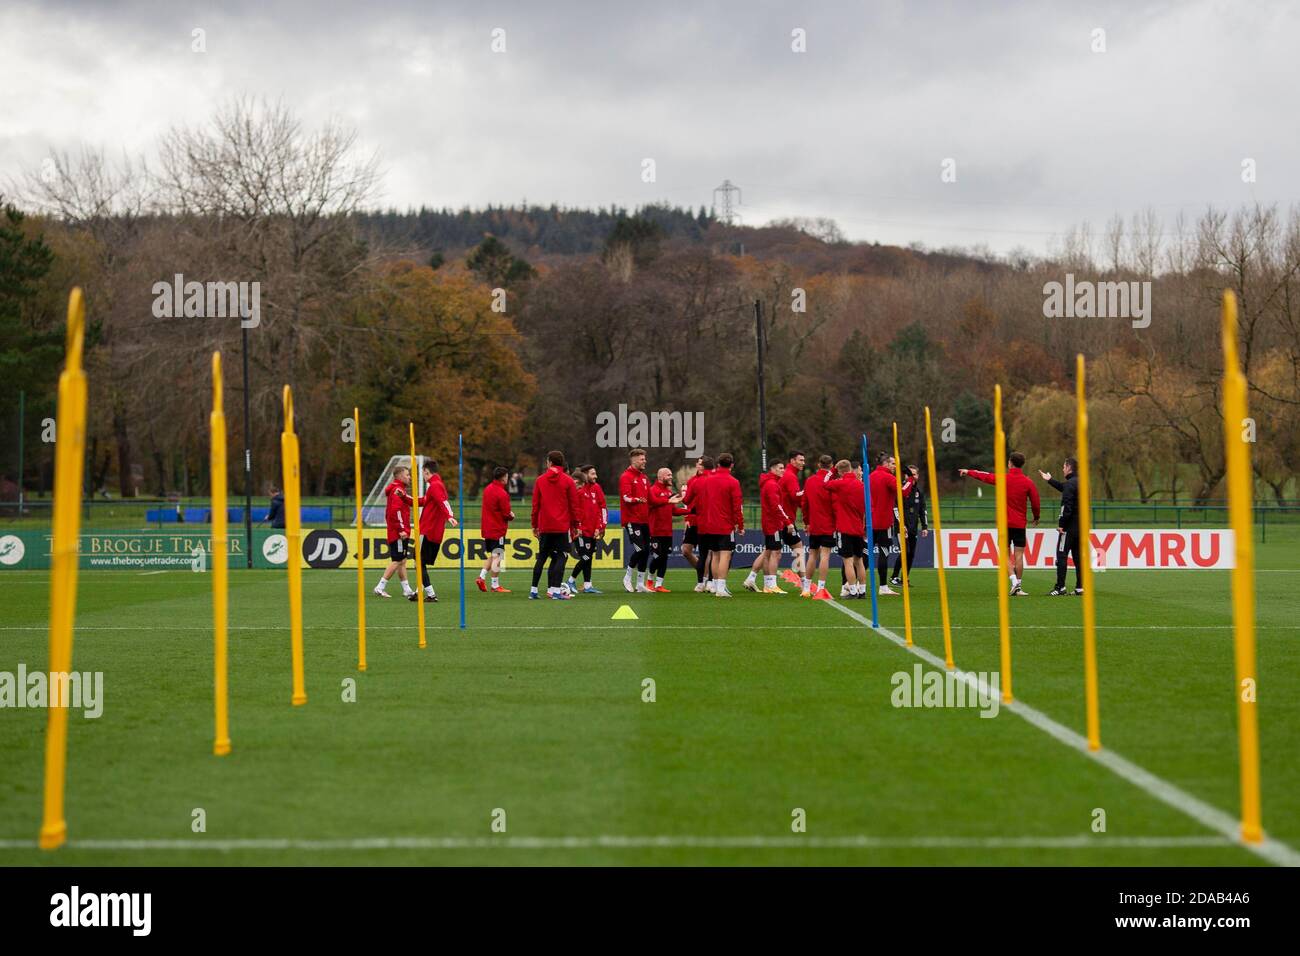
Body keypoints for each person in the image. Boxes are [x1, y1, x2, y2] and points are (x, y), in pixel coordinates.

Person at [960, 452, 1040, 595]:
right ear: (1022, 464)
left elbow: (985, 476)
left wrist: (968, 472)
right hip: (1020, 524)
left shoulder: (1003, 478)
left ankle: (1014, 581)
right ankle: (1019, 586)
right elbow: (1035, 501)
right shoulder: (1028, 482)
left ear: (1010, 463)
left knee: (1004, 554)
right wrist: (1036, 516)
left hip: (1004, 524)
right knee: (1019, 555)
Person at [530, 450, 581, 600]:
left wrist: (534, 525)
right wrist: (576, 524)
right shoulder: (568, 481)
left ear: (550, 462)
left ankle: (533, 591)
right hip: (561, 526)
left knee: (542, 557)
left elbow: (535, 505)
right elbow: (574, 505)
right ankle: (556, 591)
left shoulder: (540, 480)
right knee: (562, 556)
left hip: (545, 525)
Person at [411, 460, 458, 602]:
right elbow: (424, 501)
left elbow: (443, 502)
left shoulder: (434, 486)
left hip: (428, 531)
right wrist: (406, 498)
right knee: (421, 562)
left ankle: (431, 594)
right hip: (434, 532)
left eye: (423, 474)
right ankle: (418, 592)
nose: (423, 477)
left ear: (426, 472)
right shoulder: (437, 485)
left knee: (418, 562)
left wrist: (450, 516)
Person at [699, 452, 744, 597]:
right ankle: (720, 588)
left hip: (710, 523)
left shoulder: (708, 480)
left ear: (718, 464)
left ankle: (715, 586)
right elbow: (737, 506)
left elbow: (703, 501)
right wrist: (740, 525)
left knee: (715, 555)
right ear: (731, 465)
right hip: (725, 524)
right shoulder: (733, 482)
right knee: (726, 555)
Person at [868, 453, 913, 596]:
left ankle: (856, 585)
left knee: (864, 553)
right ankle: (883, 587)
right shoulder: (888, 477)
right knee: (884, 553)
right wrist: (911, 479)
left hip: (869, 522)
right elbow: (904, 492)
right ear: (886, 464)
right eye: (893, 464)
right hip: (884, 522)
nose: (895, 467)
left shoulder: (870, 476)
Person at [746, 459, 792, 594]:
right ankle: (772, 584)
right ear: (773, 469)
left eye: (783, 468)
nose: (783, 470)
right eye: (780, 468)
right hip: (773, 524)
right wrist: (787, 521)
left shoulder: (770, 483)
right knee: (776, 553)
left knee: (769, 552)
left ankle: (767, 584)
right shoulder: (772, 484)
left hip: (770, 523)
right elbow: (776, 505)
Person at [1041, 458, 1083, 596]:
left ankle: (1060, 587)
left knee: (1061, 556)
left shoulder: (1071, 484)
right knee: (1078, 557)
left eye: (1064, 466)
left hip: (1069, 527)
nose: (1062, 469)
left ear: (1069, 467)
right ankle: (1080, 588)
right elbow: (1065, 487)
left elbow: (1066, 507)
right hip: (1081, 526)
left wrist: (1061, 525)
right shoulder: (1081, 482)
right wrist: (1050, 480)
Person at [373, 464, 415, 599]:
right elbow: (395, 512)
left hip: (398, 530)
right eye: (407, 475)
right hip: (398, 532)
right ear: (399, 476)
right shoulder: (397, 490)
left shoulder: (398, 489)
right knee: (397, 560)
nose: (409, 477)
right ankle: (380, 587)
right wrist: (401, 529)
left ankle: (406, 589)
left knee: (402, 560)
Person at [800, 455, 837, 600]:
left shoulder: (810, 481)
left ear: (818, 465)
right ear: (831, 465)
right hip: (828, 524)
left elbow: (804, 503)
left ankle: (806, 588)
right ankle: (821, 588)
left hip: (814, 524)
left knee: (812, 555)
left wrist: (807, 521)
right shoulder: (832, 481)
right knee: (825, 556)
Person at [829, 459, 867, 598]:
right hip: (858, 528)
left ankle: (852, 590)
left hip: (844, 529)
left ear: (840, 471)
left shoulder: (840, 483)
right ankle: (862, 590)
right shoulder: (861, 485)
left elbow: (825, 484)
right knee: (860, 561)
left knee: (847, 561)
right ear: (851, 469)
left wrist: (833, 470)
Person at [647, 467, 688, 592]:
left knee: (664, 557)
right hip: (655, 531)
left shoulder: (668, 492)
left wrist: (690, 511)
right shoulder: (652, 490)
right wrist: (667, 501)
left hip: (667, 532)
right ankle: (649, 581)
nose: (671, 477)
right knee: (657, 557)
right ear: (661, 477)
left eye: (671, 475)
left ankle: (659, 584)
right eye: (668, 475)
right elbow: (653, 503)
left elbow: (673, 511)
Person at [568, 466, 606, 594]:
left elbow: (602, 508)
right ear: (584, 475)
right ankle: (571, 580)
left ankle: (587, 585)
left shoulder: (596, 488)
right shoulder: (577, 490)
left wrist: (600, 527)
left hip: (592, 531)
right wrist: (576, 528)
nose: (595, 476)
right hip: (580, 531)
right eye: (593, 474)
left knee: (588, 558)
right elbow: (574, 512)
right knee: (585, 556)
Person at [891, 463, 930, 587]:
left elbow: (922, 510)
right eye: (910, 474)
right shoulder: (900, 489)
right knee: (905, 552)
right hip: (901, 527)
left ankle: (905, 578)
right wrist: (901, 524)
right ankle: (894, 577)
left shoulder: (919, 492)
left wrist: (924, 526)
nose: (911, 477)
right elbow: (895, 508)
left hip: (913, 528)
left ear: (917, 476)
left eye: (914, 474)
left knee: (911, 553)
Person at [619, 448, 653, 593]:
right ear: (633, 460)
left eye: (645, 458)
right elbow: (625, 497)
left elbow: (651, 498)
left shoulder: (644, 478)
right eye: (642, 459)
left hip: (644, 520)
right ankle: (627, 578)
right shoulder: (626, 477)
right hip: (632, 519)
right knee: (641, 549)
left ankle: (640, 583)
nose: (644, 461)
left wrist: (668, 501)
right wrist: (636, 500)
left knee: (646, 551)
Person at [477, 466, 514, 593]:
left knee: (493, 555)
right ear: (503, 478)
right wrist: (511, 515)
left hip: (487, 527)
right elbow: (506, 513)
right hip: (497, 529)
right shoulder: (502, 493)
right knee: (498, 556)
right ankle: (495, 584)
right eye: (507, 476)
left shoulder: (487, 489)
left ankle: (481, 577)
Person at [682, 456, 715, 591]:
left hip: (707, 520)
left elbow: (686, 500)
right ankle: (704, 577)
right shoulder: (692, 481)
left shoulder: (711, 479)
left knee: (707, 552)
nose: (697, 465)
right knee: (686, 550)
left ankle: (706, 581)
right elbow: (688, 502)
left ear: (704, 466)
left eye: (700, 463)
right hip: (694, 520)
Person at [778, 451, 808, 590]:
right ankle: (803, 581)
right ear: (792, 461)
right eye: (800, 460)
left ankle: (752, 577)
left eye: (803, 460)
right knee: (799, 548)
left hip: (784, 518)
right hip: (787, 520)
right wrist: (809, 491)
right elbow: (795, 496)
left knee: (769, 551)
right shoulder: (790, 476)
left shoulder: (789, 474)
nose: (803, 463)